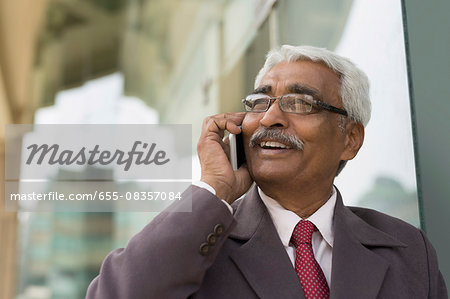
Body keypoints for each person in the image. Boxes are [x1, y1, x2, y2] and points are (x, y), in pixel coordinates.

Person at [86, 45, 448, 299]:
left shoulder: (407, 251)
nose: (270, 117)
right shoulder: (197, 243)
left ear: (350, 139)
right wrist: (214, 189)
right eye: (260, 101)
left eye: (299, 102)